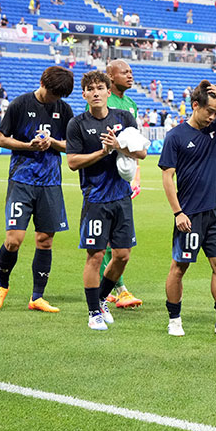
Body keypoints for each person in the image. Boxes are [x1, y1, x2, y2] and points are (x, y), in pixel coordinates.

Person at [159, 81, 216, 337]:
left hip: (215, 212)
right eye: (209, 110)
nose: (213, 116)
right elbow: (167, 177)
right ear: (195, 105)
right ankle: (174, 319)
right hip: (189, 214)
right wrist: (178, 213)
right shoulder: (175, 136)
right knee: (180, 267)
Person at [66, 71, 147, 331]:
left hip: (121, 197)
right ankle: (93, 313)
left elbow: (142, 153)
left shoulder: (124, 117)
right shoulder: (77, 124)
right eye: (91, 89)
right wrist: (102, 152)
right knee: (95, 255)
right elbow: (72, 162)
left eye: (100, 87)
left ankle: (101, 299)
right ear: (85, 95)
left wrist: (118, 148)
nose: (96, 92)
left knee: (122, 255)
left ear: (108, 92)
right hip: (95, 198)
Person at [0, 66, 74, 312]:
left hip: (50, 183)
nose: (54, 99)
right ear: (42, 83)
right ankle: (2, 286)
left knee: (45, 240)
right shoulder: (19, 104)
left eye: (59, 96)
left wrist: (53, 142)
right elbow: (1, 139)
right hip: (22, 180)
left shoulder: (64, 109)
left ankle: (37, 297)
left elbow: (71, 145)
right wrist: (29, 145)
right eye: (52, 94)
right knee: (14, 240)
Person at [92, 60, 144, 308]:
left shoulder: (131, 105)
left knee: (117, 240)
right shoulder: (102, 102)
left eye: (131, 71)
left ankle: (111, 289)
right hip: (102, 180)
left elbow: (136, 143)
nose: (130, 75)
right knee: (106, 241)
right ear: (111, 77)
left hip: (123, 178)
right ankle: (116, 289)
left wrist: (137, 174)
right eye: (125, 72)